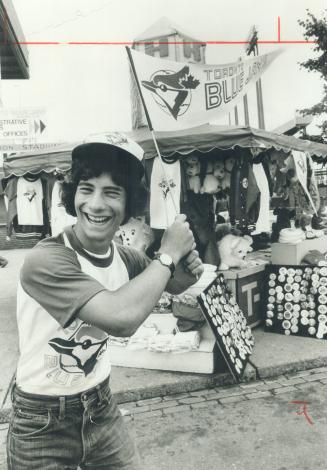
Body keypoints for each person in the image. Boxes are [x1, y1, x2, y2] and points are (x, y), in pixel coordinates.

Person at [7, 140, 203, 470]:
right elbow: (121, 318)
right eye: (87, 189)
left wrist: (184, 263)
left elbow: (170, 283)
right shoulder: (46, 259)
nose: (96, 204)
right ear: (72, 196)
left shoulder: (127, 258)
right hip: (41, 423)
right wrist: (168, 255)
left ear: (128, 205)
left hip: (101, 407)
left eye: (112, 193)